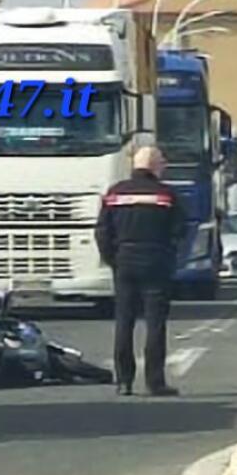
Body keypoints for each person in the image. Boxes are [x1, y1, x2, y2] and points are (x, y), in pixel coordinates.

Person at [94, 145, 187, 397]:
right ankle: (155, 382)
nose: (164, 167)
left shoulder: (115, 193)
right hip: (156, 261)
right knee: (155, 324)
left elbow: (102, 230)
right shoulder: (166, 195)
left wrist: (112, 259)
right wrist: (169, 255)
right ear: (154, 166)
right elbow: (180, 230)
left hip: (124, 261)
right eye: (162, 163)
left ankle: (124, 381)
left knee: (124, 322)